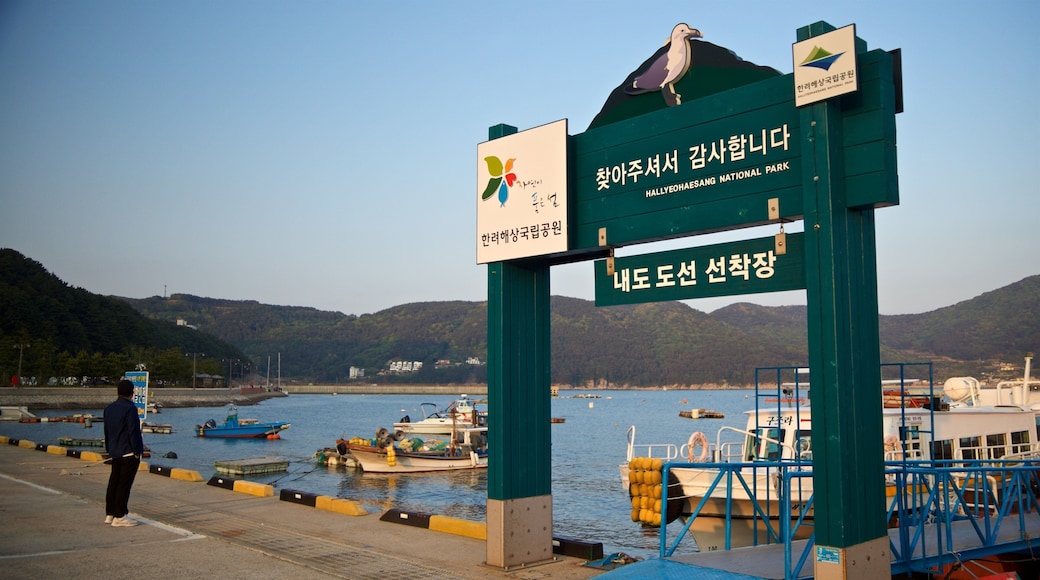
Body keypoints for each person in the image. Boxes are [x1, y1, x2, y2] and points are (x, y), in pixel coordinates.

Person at [103, 379, 144, 526]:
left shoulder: (109, 409)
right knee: (124, 485)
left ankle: (110, 513)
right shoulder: (130, 409)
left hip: (115, 451)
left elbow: (107, 431)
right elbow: (133, 431)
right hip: (128, 452)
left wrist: (109, 448)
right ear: (132, 393)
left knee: (114, 482)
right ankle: (120, 516)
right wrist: (137, 450)